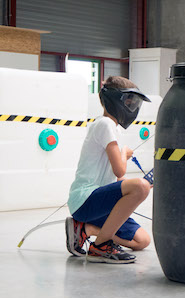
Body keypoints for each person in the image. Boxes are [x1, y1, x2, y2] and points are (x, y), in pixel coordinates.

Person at [65, 76, 152, 263]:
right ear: (115, 100)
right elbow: (120, 170)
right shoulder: (104, 124)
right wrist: (124, 153)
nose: (132, 107)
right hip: (86, 200)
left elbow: (116, 180)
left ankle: (88, 230)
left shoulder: (112, 128)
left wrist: (141, 187)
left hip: (100, 205)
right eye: (129, 101)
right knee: (140, 186)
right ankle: (100, 246)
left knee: (142, 241)